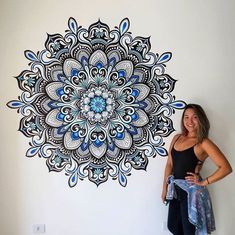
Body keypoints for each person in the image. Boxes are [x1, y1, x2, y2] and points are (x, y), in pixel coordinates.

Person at [161, 103, 232, 235]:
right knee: (173, 227)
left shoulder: (203, 142)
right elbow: (169, 164)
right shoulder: (177, 138)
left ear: (201, 119)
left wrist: (204, 182)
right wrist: (164, 188)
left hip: (191, 193)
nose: (190, 121)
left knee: (190, 231)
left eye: (195, 117)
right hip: (175, 191)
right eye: (186, 117)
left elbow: (226, 168)